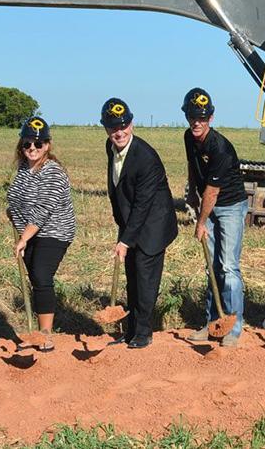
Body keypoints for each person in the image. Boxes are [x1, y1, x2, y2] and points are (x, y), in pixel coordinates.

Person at [102, 98, 178, 348]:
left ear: (132, 124)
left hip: (154, 225)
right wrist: (122, 230)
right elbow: (119, 190)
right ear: (105, 128)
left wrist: (126, 240)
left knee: (145, 279)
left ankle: (144, 334)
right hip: (132, 222)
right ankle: (131, 330)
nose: (119, 132)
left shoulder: (145, 157)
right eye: (113, 127)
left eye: (123, 126)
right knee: (132, 277)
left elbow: (143, 205)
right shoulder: (110, 147)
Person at [180, 87, 249, 347]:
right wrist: (190, 192)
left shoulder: (219, 146)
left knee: (228, 266)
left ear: (211, 118)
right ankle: (212, 324)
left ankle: (233, 327)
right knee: (212, 266)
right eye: (192, 117)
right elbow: (192, 165)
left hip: (229, 205)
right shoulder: (189, 137)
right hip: (208, 204)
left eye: (202, 117)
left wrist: (200, 222)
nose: (196, 122)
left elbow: (212, 192)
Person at [5, 116, 76, 351]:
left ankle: (46, 334)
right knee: (35, 280)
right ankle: (36, 330)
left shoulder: (53, 172)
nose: (32, 148)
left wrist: (24, 237)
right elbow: (14, 199)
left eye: (38, 144)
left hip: (55, 230)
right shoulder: (24, 170)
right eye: (27, 144)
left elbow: (43, 210)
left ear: (47, 145)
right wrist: (15, 220)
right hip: (29, 231)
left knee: (41, 274)